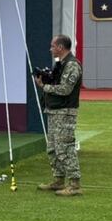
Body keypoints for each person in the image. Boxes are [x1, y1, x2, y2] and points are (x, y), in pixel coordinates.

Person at [35, 34, 84, 196]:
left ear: (60, 47)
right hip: (54, 111)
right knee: (53, 148)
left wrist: (44, 87)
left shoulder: (72, 65)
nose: (50, 49)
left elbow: (65, 89)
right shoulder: (61, 64)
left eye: (52, 46)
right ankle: (58, 180)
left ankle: (74, 184)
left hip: (65, 112)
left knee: (65, 147)